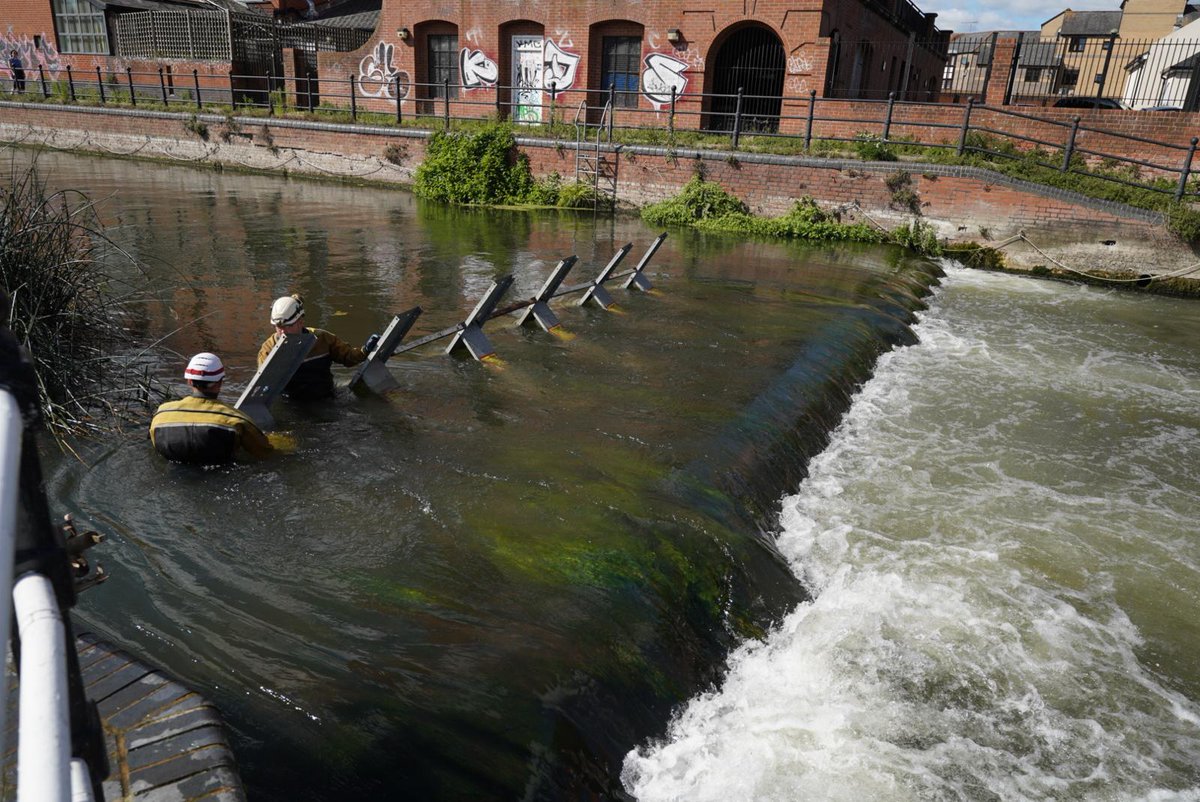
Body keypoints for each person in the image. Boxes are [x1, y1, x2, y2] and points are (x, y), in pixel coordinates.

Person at [150, 352, 273, 464]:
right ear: (220, 382)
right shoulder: (237, 420)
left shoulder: (161, 415)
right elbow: (266, 454)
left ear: (189, 381)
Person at [257, 294, 378, 400]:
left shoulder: (322, 338)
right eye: (279, 327)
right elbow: (264, 385)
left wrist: (365, 350)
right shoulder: (268, 349)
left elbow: (348, 357)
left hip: (326, 397)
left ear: (300, 321)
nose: (283, 332)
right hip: (292, 403)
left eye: (288, 326)